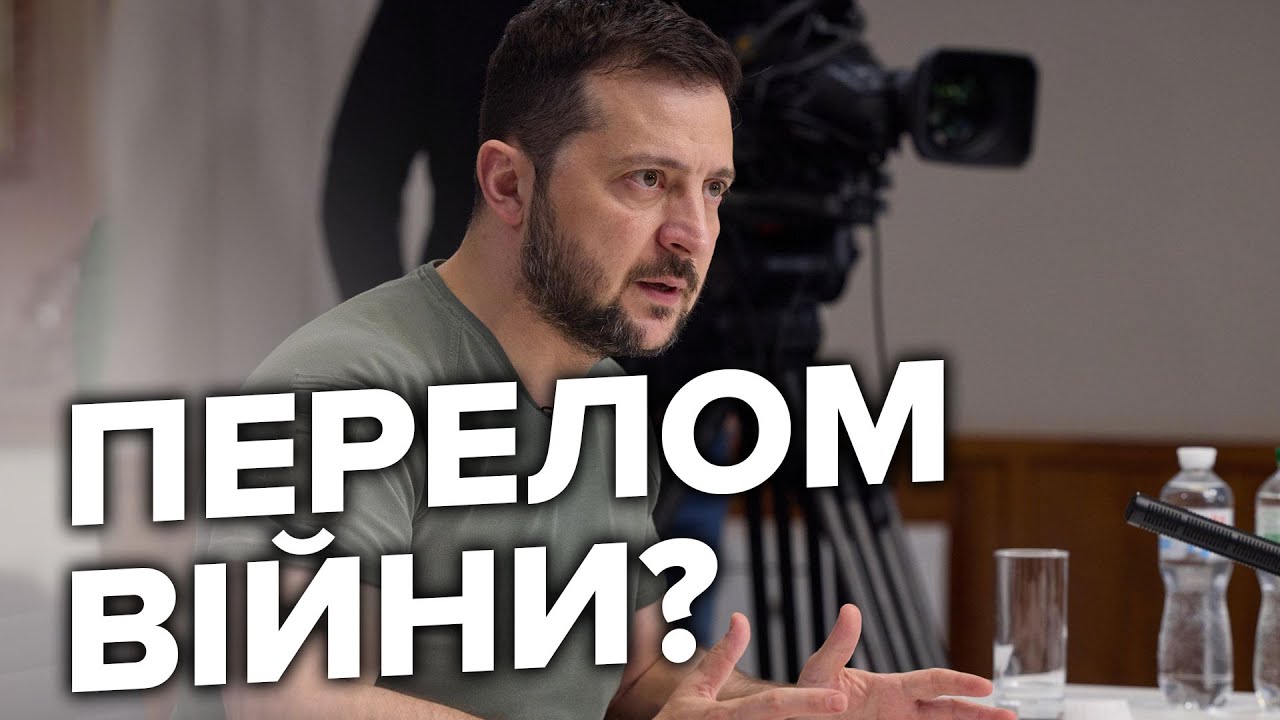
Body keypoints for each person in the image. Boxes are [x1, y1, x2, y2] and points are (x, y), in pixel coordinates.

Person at [199, 2, 1013, 718]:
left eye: (713, 189)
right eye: (648, 179)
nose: (693, 234)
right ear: (508, 185)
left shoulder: (604, 395)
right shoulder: (342, 390)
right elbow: (290, 697)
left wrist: (796, 707)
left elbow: (634, 680)